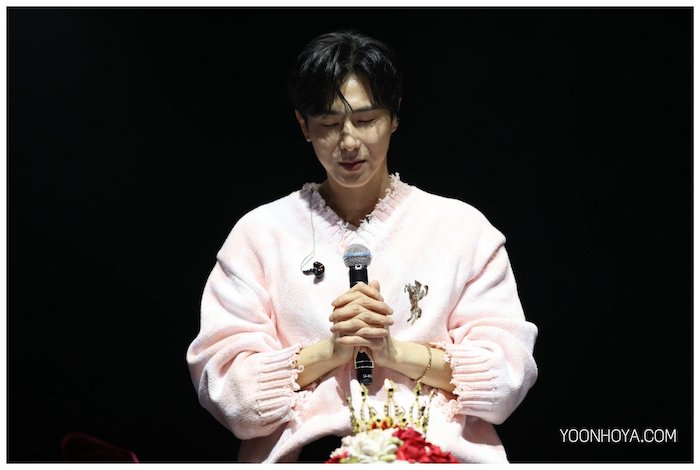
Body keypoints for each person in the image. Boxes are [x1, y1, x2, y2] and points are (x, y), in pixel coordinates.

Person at [186, 30, 538, 463]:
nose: (349, 141)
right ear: (303, 125)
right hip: (311, 455)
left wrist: (395, 353)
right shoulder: (259, 234)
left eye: (367, 120)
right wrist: (331, 351)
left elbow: (507, 379)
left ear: (394, 116)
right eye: (329, 125)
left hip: (434, 455)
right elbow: (228, 394)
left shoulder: (462, 229)